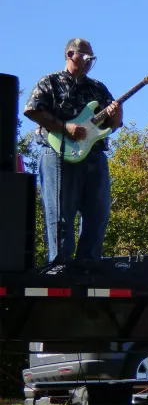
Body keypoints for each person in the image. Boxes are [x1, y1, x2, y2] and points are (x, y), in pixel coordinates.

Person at [24, 38, 122, 264]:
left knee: (98, 213)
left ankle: (89, 265)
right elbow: (32, 110)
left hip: (93, 154)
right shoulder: (50, 81)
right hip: (57, 152)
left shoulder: (97, 87)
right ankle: (61, 266)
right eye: (85, 56)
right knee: (60, 214)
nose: (89, 62)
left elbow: (112, 125)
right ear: (70, 55)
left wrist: (116, 115)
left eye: (92, 58)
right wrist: (64, 127)